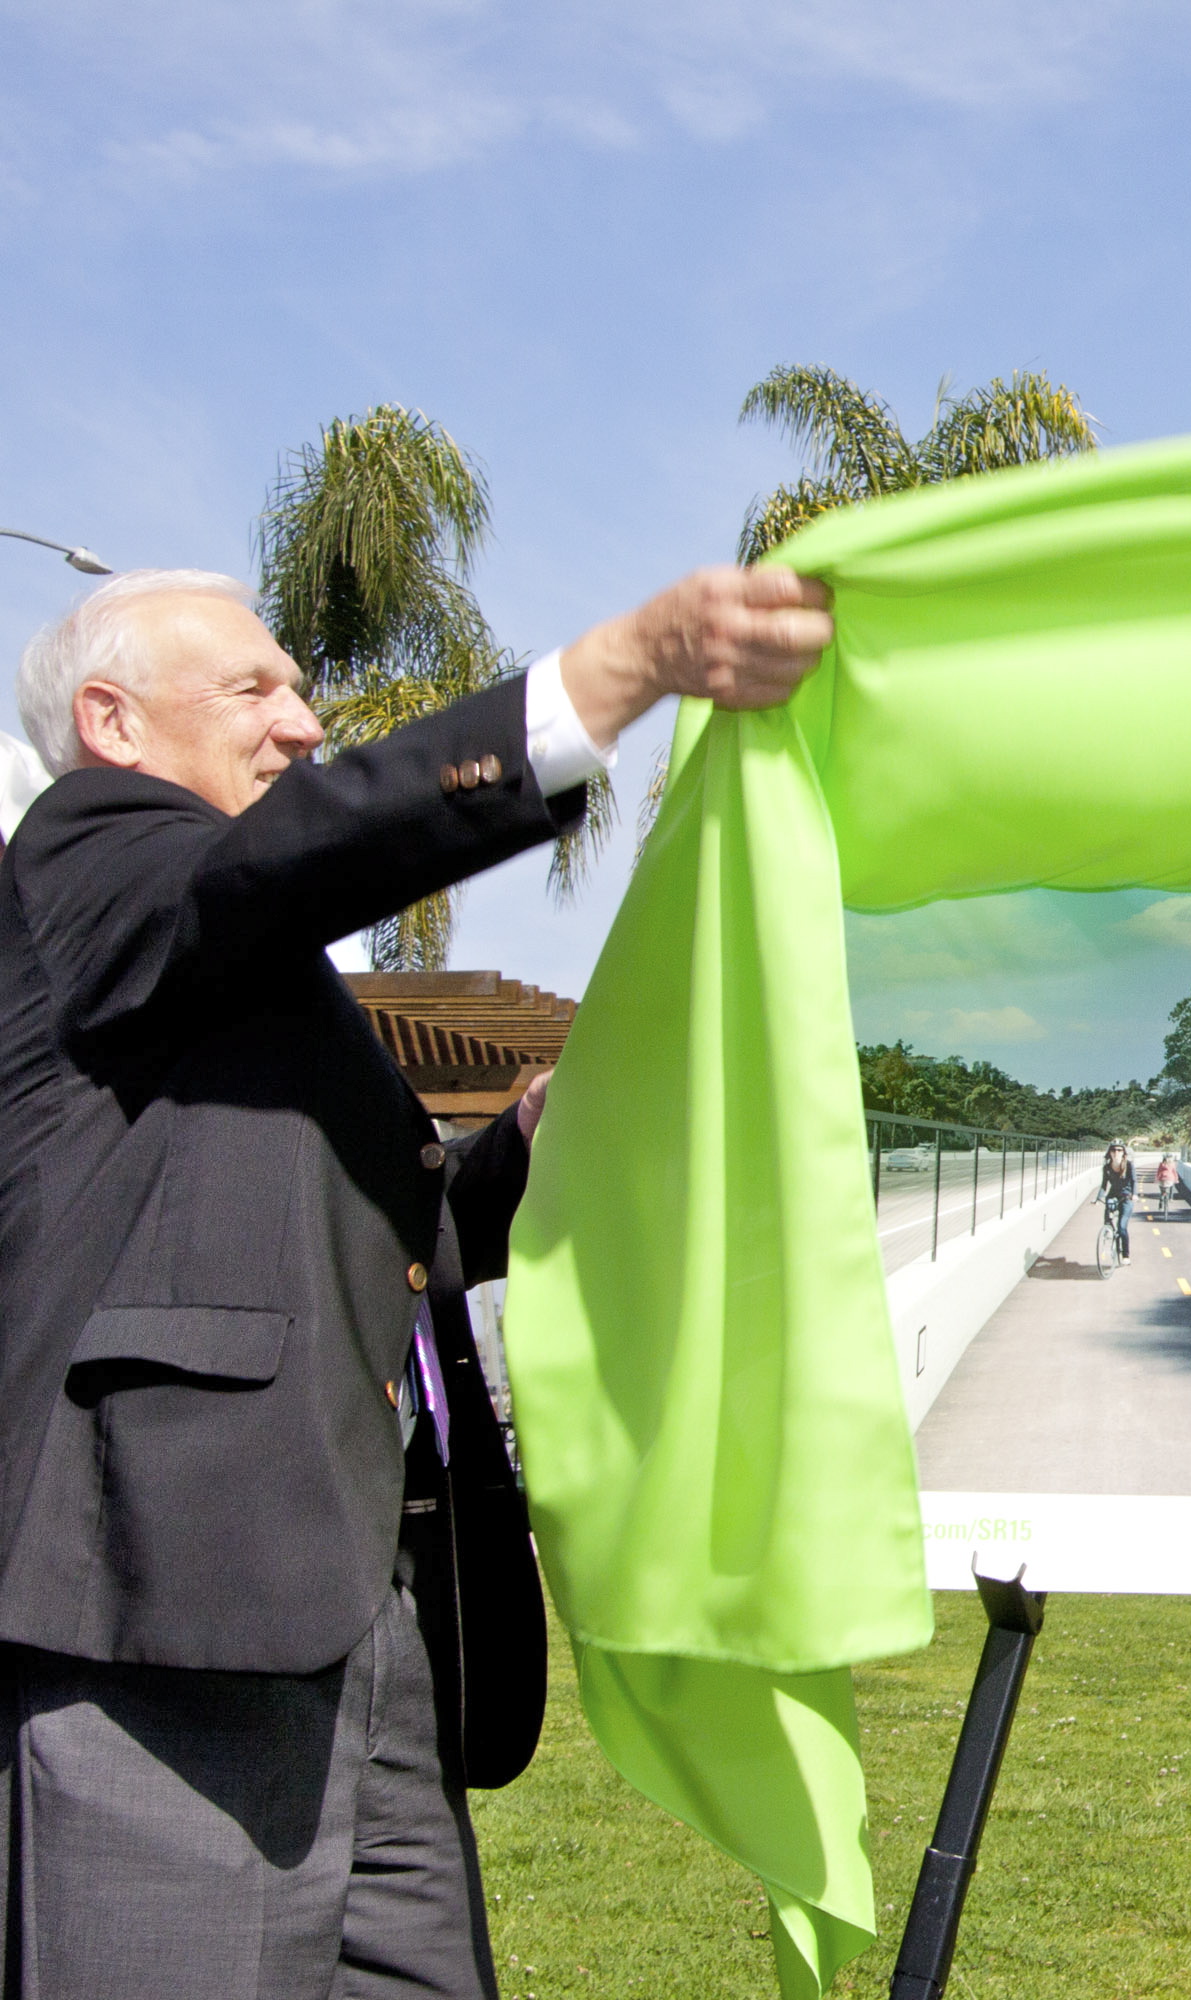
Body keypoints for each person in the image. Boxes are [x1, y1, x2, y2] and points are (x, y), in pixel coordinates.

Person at [0, 560, 830, 1997]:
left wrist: (523, 1145)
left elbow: (408, 1248)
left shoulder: (233, 987)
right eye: (255, 689)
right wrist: (615, 672)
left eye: (302, 690)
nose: (304, 722)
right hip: (169, 1630)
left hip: (363, 1626)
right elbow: (300, 850)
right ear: (112, 724)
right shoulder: (90, 855)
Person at [1100, 1141, 1136, 1259]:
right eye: (1113, 1150)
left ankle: (1126, 1255)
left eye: (1119, 1150)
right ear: (1109, 1152)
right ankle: (1108, 1230)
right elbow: (1104, 1185)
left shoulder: (1129, 1165)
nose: (1116, 1152)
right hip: (1113, 1195)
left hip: (1126, 1197)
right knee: (1108, 1211)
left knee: (1122, 1227)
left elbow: (1134, 1181)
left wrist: (1134, 1194)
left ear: (1123, 1153)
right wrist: (1098, 1198)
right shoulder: (1106, 1167)